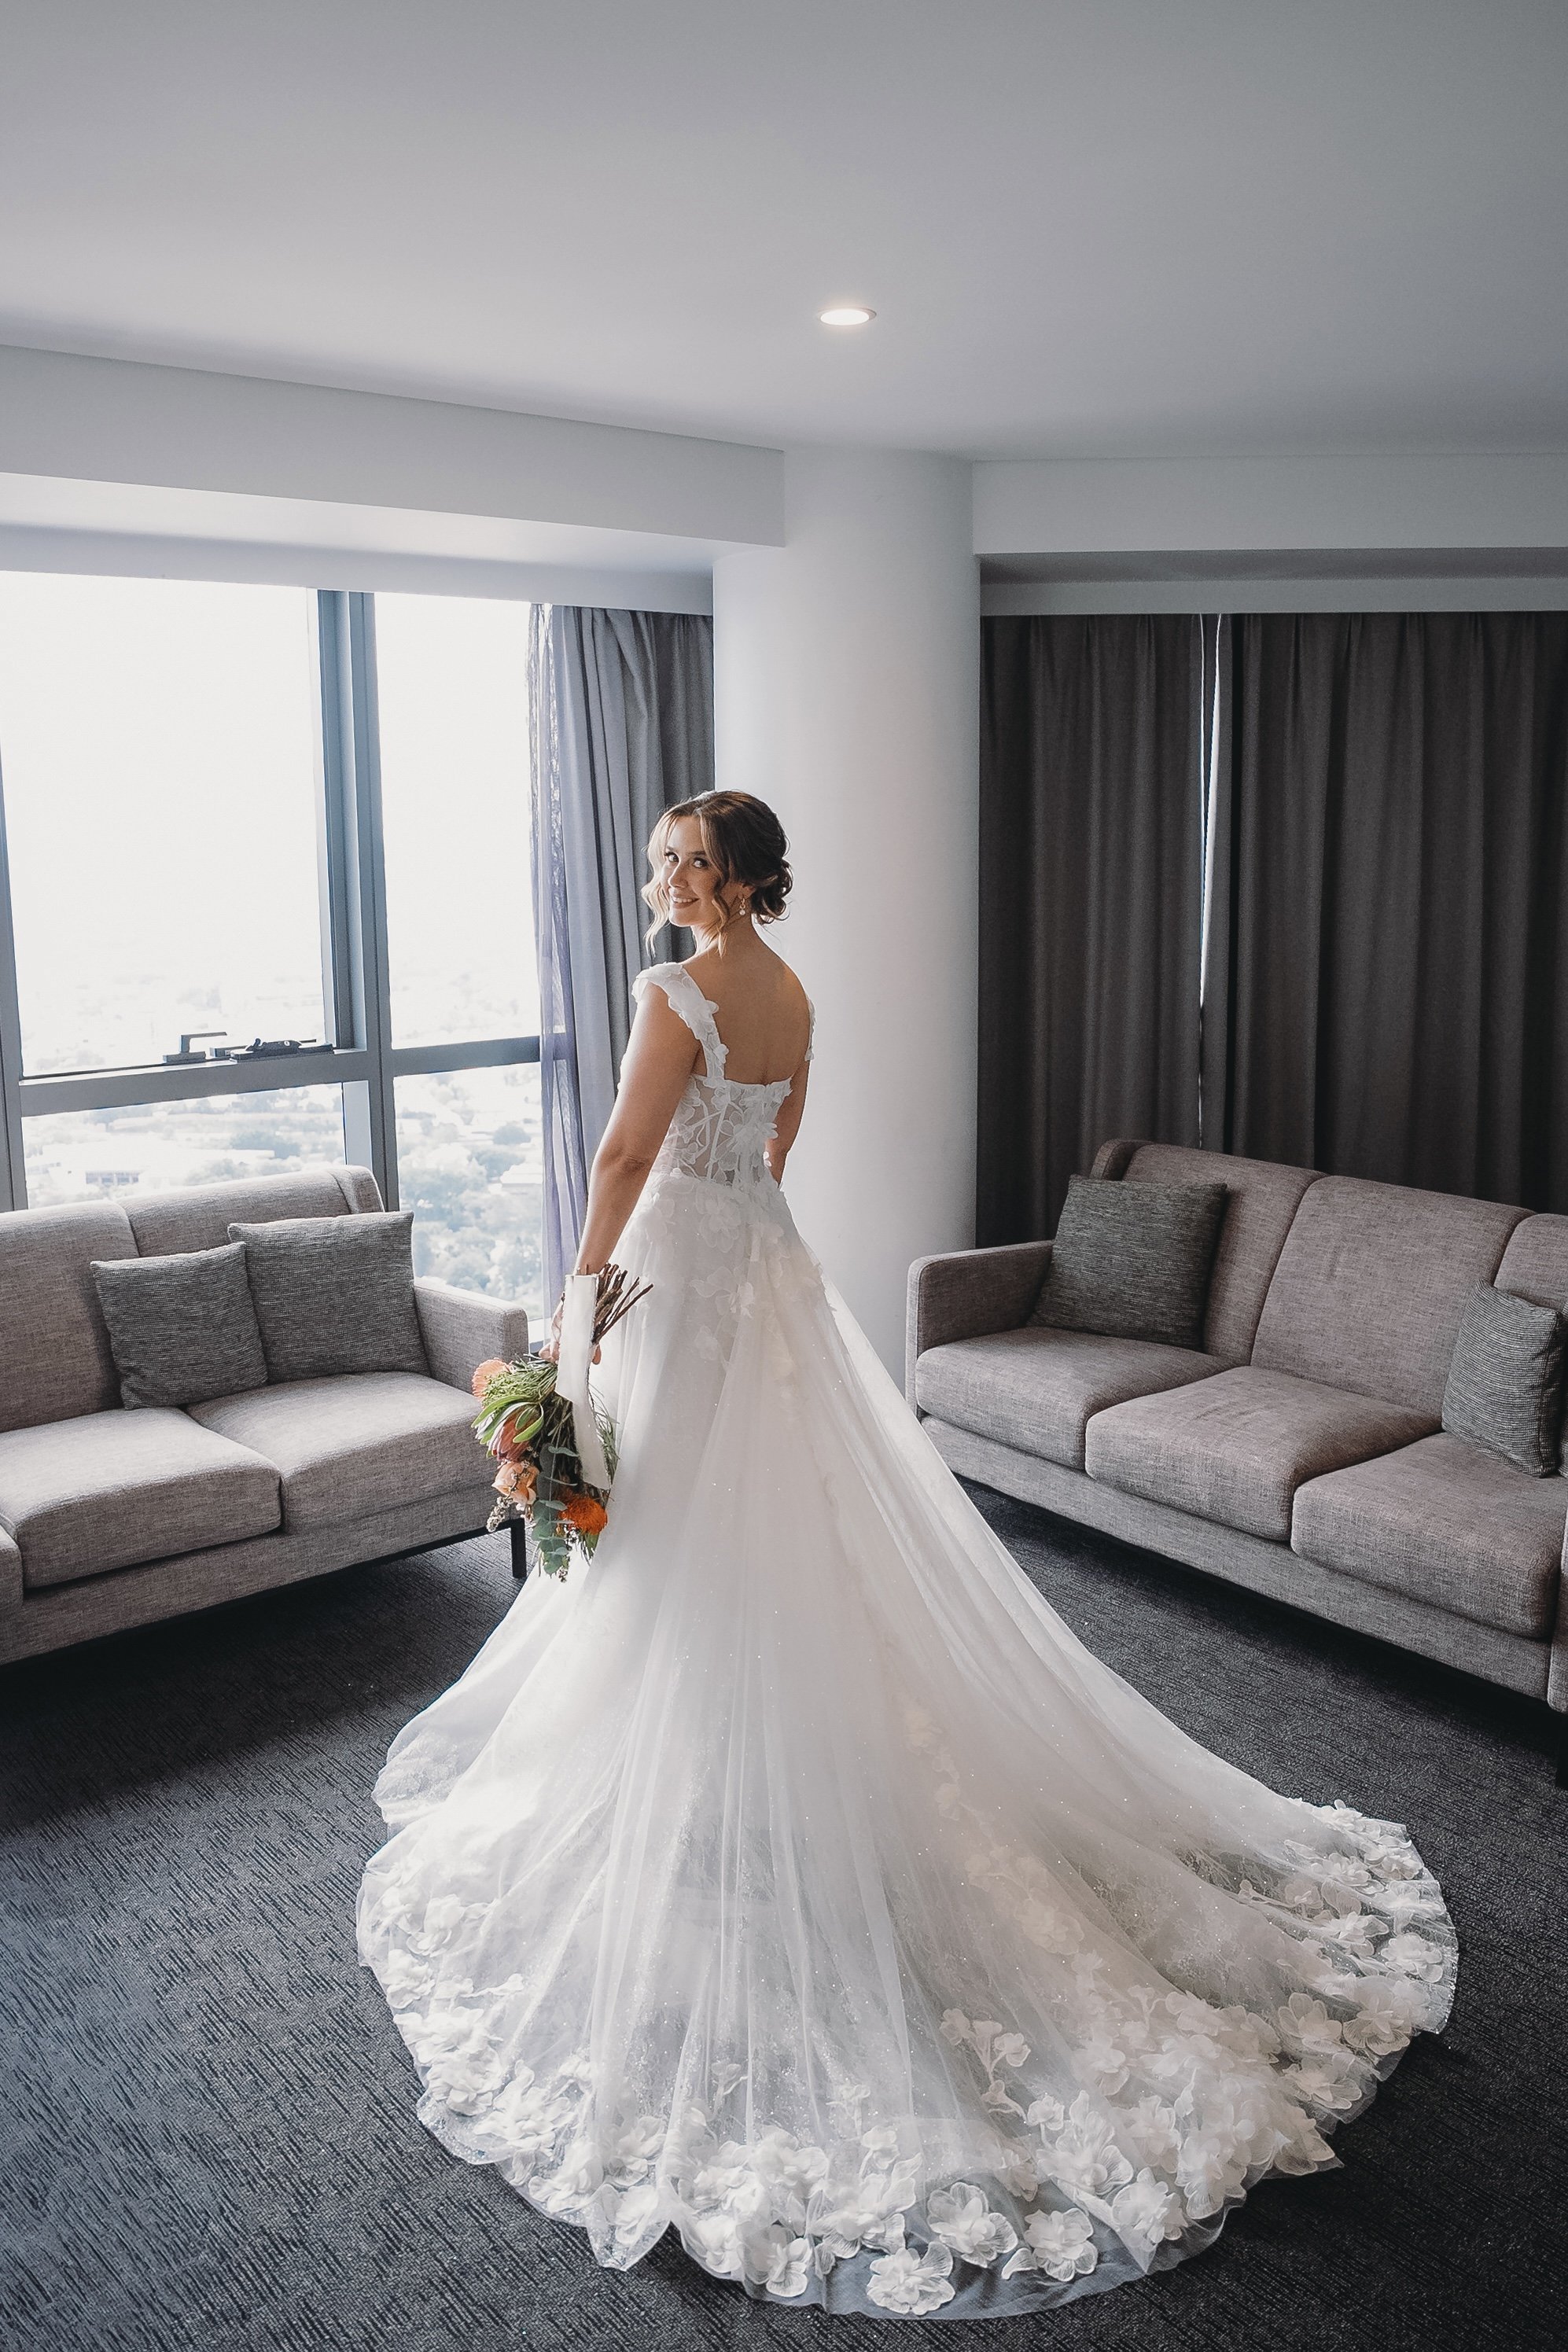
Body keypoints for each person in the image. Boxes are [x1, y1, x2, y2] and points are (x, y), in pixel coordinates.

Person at [359, 790, 1455, 2320]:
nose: (662, 875)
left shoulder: (675, 988)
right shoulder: (792, 991)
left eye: (685, 858)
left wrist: (581, 1299)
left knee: (682, 1530)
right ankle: (758, 1761)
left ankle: (718, 1778)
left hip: (671, 1269)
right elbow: (776, 1141)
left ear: (733, 879)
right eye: (660, 854)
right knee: (780, 1518)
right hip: (763, 1264)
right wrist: (720, 1214)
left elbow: (620, 1154)